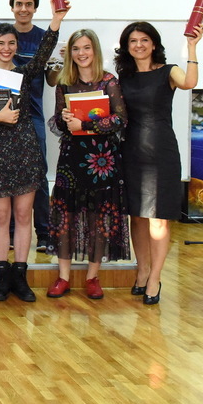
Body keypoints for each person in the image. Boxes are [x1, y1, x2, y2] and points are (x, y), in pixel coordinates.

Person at [0, 0, 68, 302]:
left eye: (11, 43)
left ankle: (21, 276)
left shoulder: (25, 73)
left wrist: (56, 20)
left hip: (25, 148)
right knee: (1, 216)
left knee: (24, 214)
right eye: (1, 43)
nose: (7, 48)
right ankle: (2, 276)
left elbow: (44, 52)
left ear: (17, 46)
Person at [115, 21, 203, 305]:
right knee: (137, 216)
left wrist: (192, 46)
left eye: (144, 40)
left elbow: (190, 83)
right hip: (131, 151)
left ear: (154, 44)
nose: (139, 45)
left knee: (158, 219)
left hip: (161, 153)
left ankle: (155, 277)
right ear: (127, 47)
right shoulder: (123, 77)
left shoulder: (169, 71)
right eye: (133, 41)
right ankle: (142, 271)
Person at [46, 29, 130, 300]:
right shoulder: (64, 83)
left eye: (86, 47)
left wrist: (85, 124)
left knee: (99, 218)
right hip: (71, 160)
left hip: (102, 160)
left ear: (94, 50)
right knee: (65, 217)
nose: (81, 53)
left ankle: (93, 277)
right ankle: (63, 277)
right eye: (76, 48)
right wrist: (65, 119)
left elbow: (120, 119)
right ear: (70, 53)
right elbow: (58, 123)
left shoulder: (108, 81)